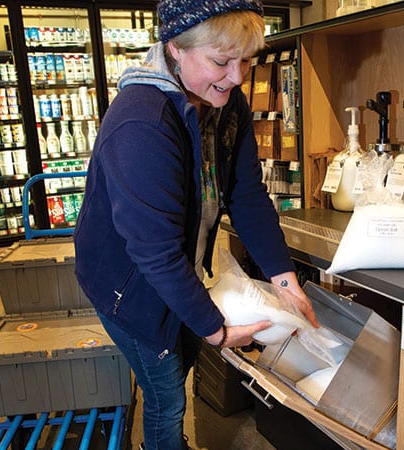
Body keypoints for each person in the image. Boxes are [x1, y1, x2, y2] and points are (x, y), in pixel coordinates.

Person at [73, 1, 318, 449]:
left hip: (172, 268)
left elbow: (245, 194)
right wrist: (217, 330)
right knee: (166, 394)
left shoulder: (225, 101)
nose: (238, 76)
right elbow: (154, 252)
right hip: (128, 285)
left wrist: (285, 280)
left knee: (179, 360)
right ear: (176, 49)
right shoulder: (141, 122)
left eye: (246, 60)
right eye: (222, 61)